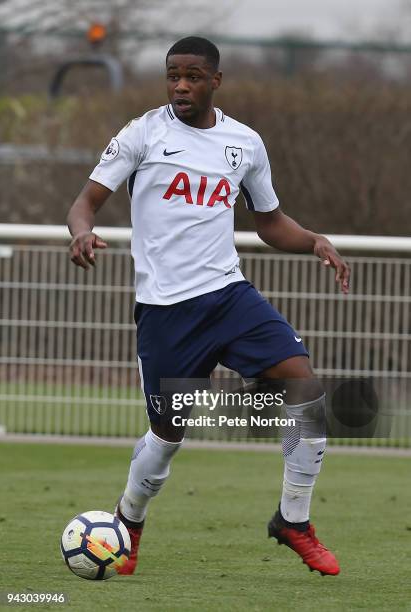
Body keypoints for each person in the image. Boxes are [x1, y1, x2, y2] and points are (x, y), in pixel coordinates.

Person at [67, 36, 350, 577]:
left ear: (215, 80)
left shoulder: (244, 143)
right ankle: (129, 521)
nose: (180, 85)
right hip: (166, 311)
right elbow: (85, 202)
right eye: (173, 74)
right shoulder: (142, 133)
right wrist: (82, 232)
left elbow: (269, 222)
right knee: (169, 435)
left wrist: (314, 239)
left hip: (228, 296)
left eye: (193, 76)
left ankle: (293, 520)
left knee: (304, 389)